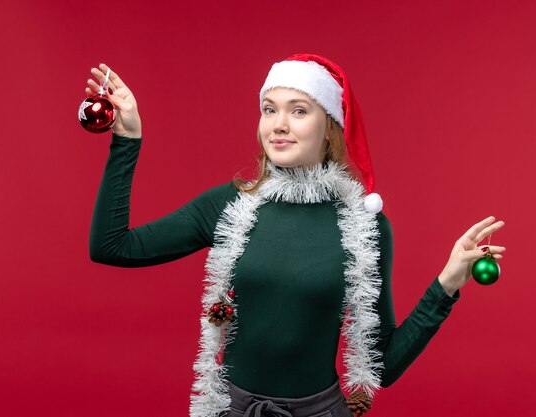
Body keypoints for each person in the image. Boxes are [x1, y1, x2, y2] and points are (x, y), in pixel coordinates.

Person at [87, 54, 506, 417]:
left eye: (299, 110)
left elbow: (381, 365)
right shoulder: (228, 205)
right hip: (230, 409)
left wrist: (446, 286)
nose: (279, 125)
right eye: (269, 109)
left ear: (330, 127)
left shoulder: (365, 225)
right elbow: (111, 247)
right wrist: (127, 140)